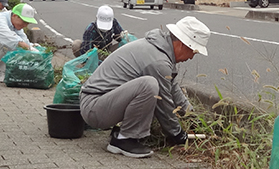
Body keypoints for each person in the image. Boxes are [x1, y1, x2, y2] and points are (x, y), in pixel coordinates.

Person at [79, 16, 210, 158]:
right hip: (94, 108)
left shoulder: (160, 50)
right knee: (149, 85)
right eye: (193, 51)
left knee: (150, 86)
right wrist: (178, 135)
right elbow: (164, 105)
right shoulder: (159, 61)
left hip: (102, 103)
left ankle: (123, 132)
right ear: (183, 44)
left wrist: (193, 118)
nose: (191, 57)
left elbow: (173, 88)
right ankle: (124, 139)